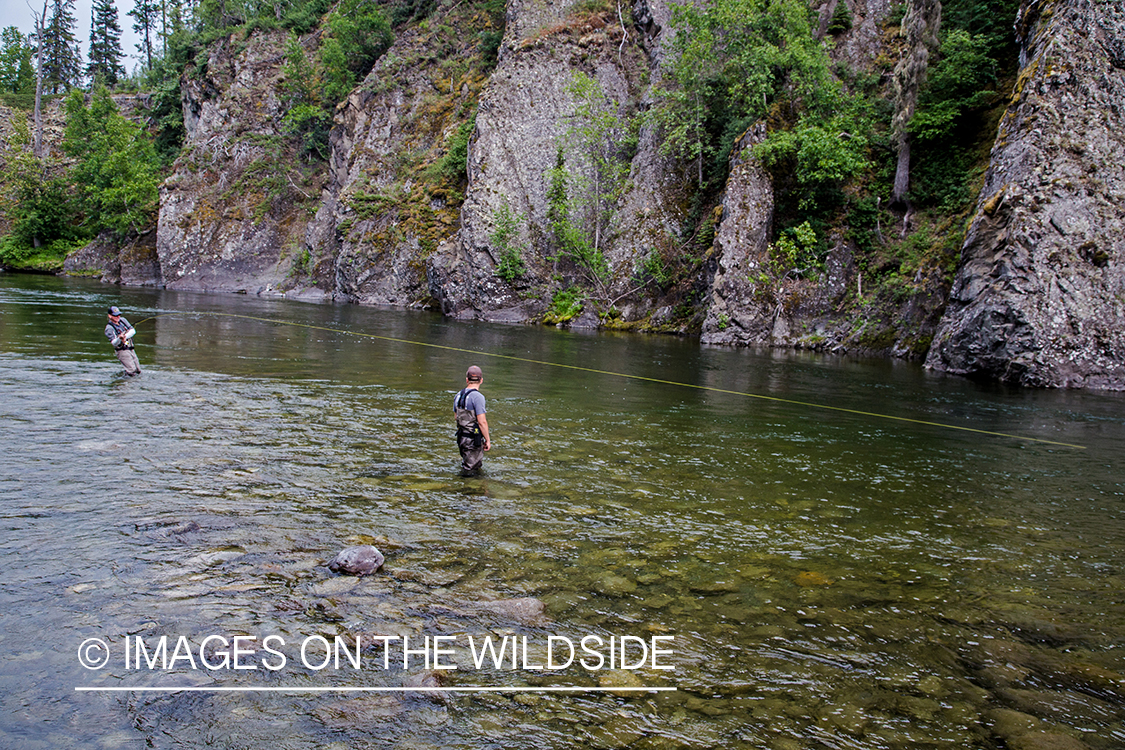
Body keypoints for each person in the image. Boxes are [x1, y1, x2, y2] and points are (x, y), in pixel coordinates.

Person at [454, 365, 491, 476]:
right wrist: (487, 440)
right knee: (472, 470)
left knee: (466, 465)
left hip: (461, 438)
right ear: (481, 380)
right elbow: (482, 421)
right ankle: (468, 490)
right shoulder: (478, 397)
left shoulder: (458, 395)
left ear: (467, 380)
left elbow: (456, 417)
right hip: (473, 440)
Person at [105, 306, 141, 376]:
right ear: (109, 316)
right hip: (122, 351)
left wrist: (125, 336)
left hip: (130, 348)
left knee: (138, 370)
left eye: (118, 315)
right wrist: (120, 339)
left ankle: (126, 380)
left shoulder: (123, 320)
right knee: (132, 372)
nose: (117, 317)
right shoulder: (109, 328)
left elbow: (133, 331)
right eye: (115, 315)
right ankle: (126, 384)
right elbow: (114, 343)